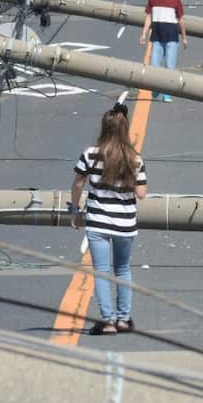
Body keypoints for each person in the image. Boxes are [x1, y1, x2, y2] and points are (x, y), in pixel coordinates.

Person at [70, 104, 149, 336]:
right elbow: (141, 194)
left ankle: (108, 321)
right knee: (122, 269)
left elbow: (78, 183)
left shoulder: (90, 154)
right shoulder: (134, 159)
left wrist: (75, 210)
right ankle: (124, 318)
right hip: (125, 223)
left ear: (104, 128)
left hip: (98, 222)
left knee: (101, 271)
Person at [139, 0, 187, 102]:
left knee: (169, 68)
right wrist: (144, 33)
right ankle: (156, 88)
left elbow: (181, 19)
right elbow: (148, 17)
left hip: (172, 38)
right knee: (154, 66)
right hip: (157, 38)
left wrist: (184, 37)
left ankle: (167, 93)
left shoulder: (175, 0)